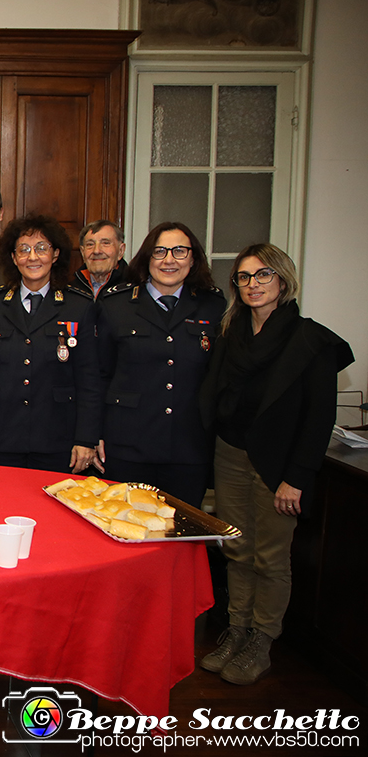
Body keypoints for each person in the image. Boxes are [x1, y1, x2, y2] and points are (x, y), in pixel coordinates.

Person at [197, 244, 353, 686]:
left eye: (262, 276)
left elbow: (320, 417)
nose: (253, 285)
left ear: (282, 280)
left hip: (278, 465)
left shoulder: (310, 340)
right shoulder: (232, 333)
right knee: (237, 549)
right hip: (230, 454)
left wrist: (296, 478)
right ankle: (237, 630)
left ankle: (262, 640)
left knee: (271, 556)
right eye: (244, 278)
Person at [0, 213, 100, 473]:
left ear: (55, 254)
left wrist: (85, 439)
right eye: (24, 249)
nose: (33, 257)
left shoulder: (79, 307)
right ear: (13, 257)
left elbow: (89, 381)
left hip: (56, 440)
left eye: (41, 248)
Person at [94, 222, 225, 506]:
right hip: (128, 445)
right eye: (160, 251)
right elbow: (100, 374)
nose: (169, 260)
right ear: (147, 258)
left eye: (179, 251)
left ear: (193, 259)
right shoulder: (115, 304)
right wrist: (96, 433)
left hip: (188, 448)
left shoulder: (212, 306)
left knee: (181, 533)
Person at [71, 220, 128, 299]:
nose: (96, 251)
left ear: (121, 251)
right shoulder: (69, 289)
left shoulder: (135, 290)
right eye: (90, 244)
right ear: (82, 252)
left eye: (105, 243)